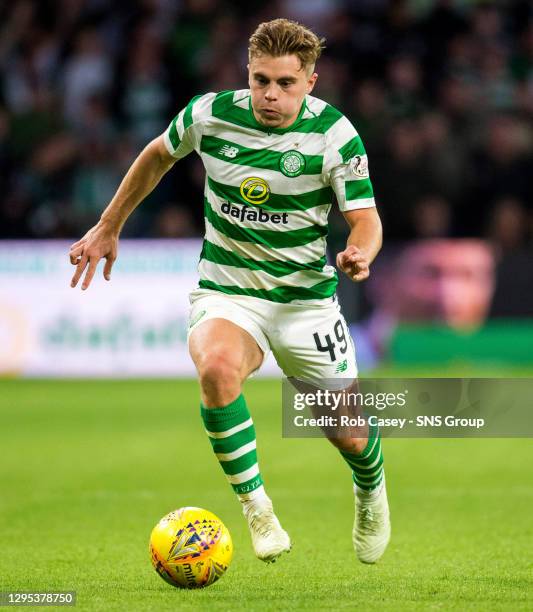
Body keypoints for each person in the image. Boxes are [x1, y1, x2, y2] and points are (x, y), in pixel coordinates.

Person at [69, 18, 390, 565]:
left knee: (350, 436)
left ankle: (371, 491)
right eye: (261, 79)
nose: (270, 94)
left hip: (303, 301)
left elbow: (366, 219)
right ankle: (257, 508)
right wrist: (109, 223)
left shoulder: (335, 135)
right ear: (248, 72)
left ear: (310, 82)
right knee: (216, 367)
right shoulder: (210, 114)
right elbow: (157, 154)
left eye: (285, 84)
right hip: (227, 289)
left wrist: (360, 251)